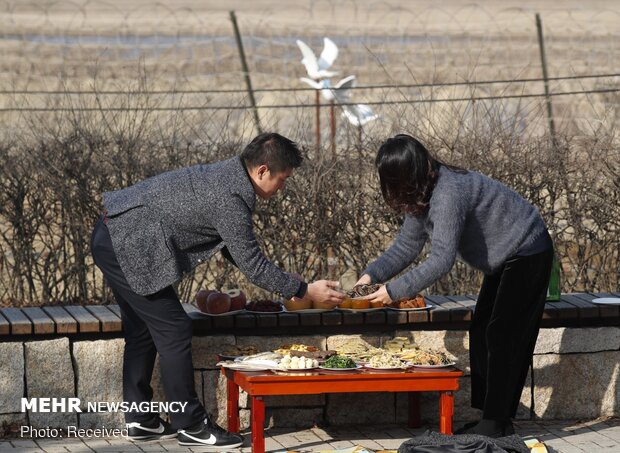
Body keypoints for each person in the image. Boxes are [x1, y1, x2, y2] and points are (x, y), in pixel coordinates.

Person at [90, 132, 344, 448]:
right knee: (174, 327)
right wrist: (304, 289)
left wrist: (287, 283)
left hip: (116, 234)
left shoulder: (230, 177)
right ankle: (191, 425)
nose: (283, 187)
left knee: (143, 330)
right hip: (127, 244)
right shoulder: (230, 197)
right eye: (282, 179)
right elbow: (251, 264)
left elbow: (236, 249)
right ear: (262, 170)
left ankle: (141, 420)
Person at [357, 134, 553, 438]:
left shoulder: (448, 192)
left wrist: (393, 291)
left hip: (528, 248)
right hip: (506, 256)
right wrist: (370, 276)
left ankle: (496, 422)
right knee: (482, 328)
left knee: (502, 333)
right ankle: (492, 418)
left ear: (408, 174)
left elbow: (441, 260)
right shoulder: (419, 194)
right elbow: (406, 246)